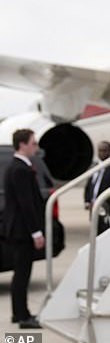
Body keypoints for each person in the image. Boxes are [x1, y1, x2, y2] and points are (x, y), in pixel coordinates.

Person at [3, 129, 44, 329]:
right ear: (22, 145)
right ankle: (22, 316)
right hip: (22, 231)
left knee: (21, 273)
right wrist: (36, 232)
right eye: (33, 143)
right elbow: (25, 204)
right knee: (22, 274)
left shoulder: (20, 166)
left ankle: (19, 313)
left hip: (19, 229)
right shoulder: (19, 169)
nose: (35, 147)